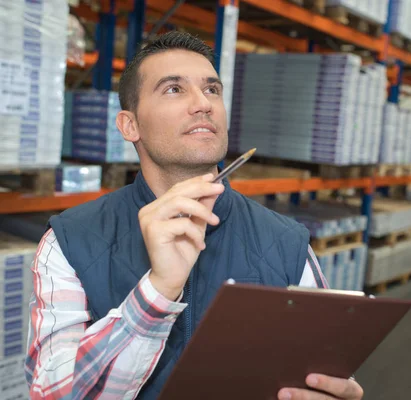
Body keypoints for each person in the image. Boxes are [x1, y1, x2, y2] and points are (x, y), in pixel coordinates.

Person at [24, 31, 364, 400]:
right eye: (174, 89)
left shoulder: (287, 242)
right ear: (129, 125)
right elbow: (52, 393)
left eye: (212, 89)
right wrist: (157, 292)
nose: (203, 103)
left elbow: (320, 368)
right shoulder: (69, 241)